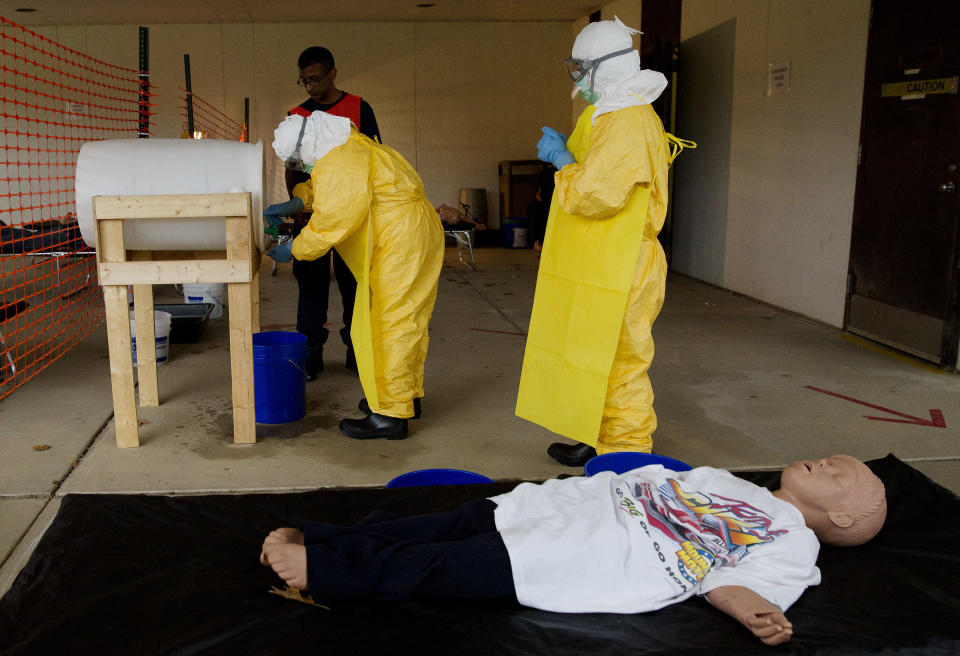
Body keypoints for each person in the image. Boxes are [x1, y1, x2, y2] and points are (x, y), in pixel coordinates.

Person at [260, 454, 887, 647]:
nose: (829, 460)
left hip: (586, 552)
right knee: (433, 527)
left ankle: (327, 573)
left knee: (445, 566)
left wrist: (750, 609)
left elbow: (732, 581)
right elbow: (646, 479)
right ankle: (321, 538)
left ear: (846, 515)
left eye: (842, 474)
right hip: (550, 508)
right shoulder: (728, 481)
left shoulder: (793, 540)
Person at [516, 17, 695, 466]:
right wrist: (570, 158)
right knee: (589, 352)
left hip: (624, 260)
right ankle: (595, 435)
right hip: (600, 258)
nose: (578, 78)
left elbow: (598, 194)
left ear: (605, 68)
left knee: (619, 362)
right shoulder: (610, 112)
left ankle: (625, 457)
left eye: (582, 68)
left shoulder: (629, 119)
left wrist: (562, 162)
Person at [267, 110, 443, 440]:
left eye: (295, 159)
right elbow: (327, 186)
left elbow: (335, 218)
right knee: (403, 321)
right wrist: (297, 202)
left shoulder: (341, 156)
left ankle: (390, 415)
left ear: (306, 145)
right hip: (407, 234)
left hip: (400, 240)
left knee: (390, 324)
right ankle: (404, 398)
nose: (298, 165)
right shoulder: (342, 146)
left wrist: (294, 249)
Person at [272, 46, 382, 381]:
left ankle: (357, 350)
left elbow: (374, 158)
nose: (310, 87)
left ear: (333, 73)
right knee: (311, 287)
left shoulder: (358, 109)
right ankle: (311, 352)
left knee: (355, 285)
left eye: (315, 79)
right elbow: (293, 169)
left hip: (352, 216)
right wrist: (296, 205)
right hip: (311, 213)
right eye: (303, 80)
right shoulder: (297, 114)